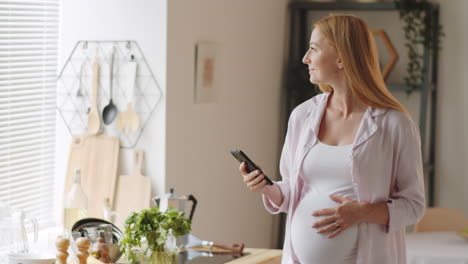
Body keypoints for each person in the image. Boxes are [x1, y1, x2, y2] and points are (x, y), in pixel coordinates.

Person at [239, 14, 425, 264]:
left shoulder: (395, 124)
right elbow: (292, 191)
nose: (305, 58)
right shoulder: (302, 116)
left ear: (341, 57)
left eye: (313, 49)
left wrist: (362, 213)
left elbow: (414, 206)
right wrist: (267, 187)